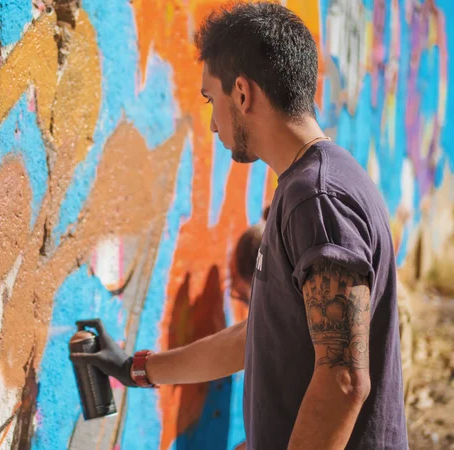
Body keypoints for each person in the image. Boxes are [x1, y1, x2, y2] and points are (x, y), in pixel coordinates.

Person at [70, 3, 408, 449]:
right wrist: (137, 368)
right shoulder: (306, 187)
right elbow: (257, 336)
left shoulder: (318, 200)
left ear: (243, 94)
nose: (211, 123)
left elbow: (342, 380)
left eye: (211, 99)